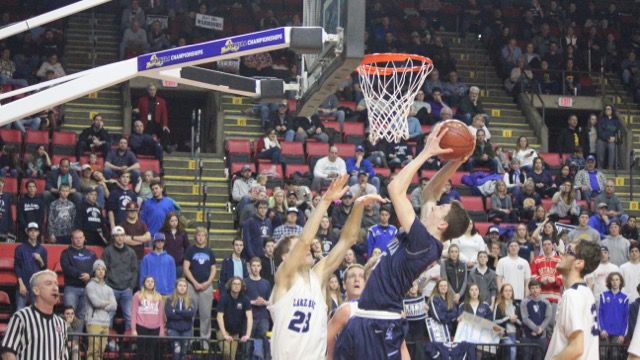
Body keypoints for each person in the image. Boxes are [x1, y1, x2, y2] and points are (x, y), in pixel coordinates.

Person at [334, 124, 471, 359]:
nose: (437, 205)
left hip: (380, 324)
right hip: (365, 317)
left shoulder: (424, 242)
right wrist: (457, 161)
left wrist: (427, 153)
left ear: (443, 225)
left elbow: (395, 188)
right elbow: (430, 193)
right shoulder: (426, 233)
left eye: (442, 208)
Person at [269, 174, 383, 359]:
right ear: (285, 257)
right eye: (297, 247)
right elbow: (306, 240)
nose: (306, 250)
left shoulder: (317, 277)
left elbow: (348, 240)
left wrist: (358, 206)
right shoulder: (284, 277)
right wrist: (326, 200)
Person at [544, 240, 602, 360]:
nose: (562, 253)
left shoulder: (572, 295)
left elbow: (576, 348)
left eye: (568, 251)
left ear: (579, 263)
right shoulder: (585, 292)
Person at [0, 270, 68, 359]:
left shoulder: (61, 323)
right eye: (48, 283)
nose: (55, 288)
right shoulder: (21, 317)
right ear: (36, 290)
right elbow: (7, 352)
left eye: (56, 284)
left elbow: (63, 356)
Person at [183, 227, 217, 349]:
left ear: (206, 237)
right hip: (192, 286)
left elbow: (213, 269)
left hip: (206, 288)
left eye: (203, 235)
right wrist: (194, 282)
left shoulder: (209, 251)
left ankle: (205, 342)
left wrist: (208, 282)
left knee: (206, 316)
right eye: (198, 235)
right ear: (195, 236)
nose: (201, 237)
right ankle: (188, 341)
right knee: (189, 315)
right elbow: (186, 268)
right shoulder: (190, 250)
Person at [326, 264, 368, 359]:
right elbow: (329, 347)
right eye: (352, 276)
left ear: (366, 283)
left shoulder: (376, 310)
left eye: (361, 276)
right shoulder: (335, 313)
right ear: (344, 284)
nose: (357, 279)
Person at [102, 225, 138, 332]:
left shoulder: (131, 252)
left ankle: (130, 343)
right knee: (109, 316)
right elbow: (104, 269)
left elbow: (135, 270)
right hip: (111, 289)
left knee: (129, 316)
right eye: (117, 235)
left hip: (126, 289)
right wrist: (107, 286)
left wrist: (131, 287)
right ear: (113, 237)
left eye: (122, 235)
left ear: (125, 236)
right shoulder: (107, 251)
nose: (120, 238)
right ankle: (107, 341)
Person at [84, 259, 117, 360]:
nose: (101, 271)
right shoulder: (90, 286)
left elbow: (114, 306)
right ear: (94, 271)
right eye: (98, 269)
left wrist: (104, 304)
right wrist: (107, 303)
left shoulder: (109, 289)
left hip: (105, 322)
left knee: (101, 352)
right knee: (92, 351)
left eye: (103, 269)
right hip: (93, 322)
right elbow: (95, 303)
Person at [61, 230, 97, 320]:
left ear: (84, 238)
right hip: (71, 288)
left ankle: (78, 334)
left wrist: (89, 275)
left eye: (80, 238)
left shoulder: (91, 254)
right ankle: (68, 334)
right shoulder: (66, 253)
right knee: (69, 315)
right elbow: (66, 268)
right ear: (72, 239)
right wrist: (81, 275)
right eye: (76, 238)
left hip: (87, 288)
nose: (78, 240)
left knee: (82, 316)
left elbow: (97, 267)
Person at [217, 277, 253, 360]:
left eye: (238, 284)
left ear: (241, 286)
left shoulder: (245, 299)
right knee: (227, 353)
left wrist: (247, 335)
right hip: (222, 330)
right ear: (230, 285)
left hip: (235, 332)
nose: (236, 286)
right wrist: (225, 334)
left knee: (232, 357)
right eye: (234, 284)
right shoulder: (224, 298)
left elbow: (250, 318)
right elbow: (219, 317)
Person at [14, 223, 47, 310]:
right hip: (23, 285)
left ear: (38, 233)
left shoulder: (42, 249)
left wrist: (40, 260)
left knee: (37, 312)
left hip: (36, 286)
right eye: (31, 231)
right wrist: (21, 284)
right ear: (27, 232)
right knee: (19, 311)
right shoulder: (20, 248)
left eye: (35, 231)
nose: (33, 233)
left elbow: (44, 269)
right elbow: (17, 267)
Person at [530, 238, 562, 329]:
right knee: (540, 325)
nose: (547, 246)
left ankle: (552, 343)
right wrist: (540, 280)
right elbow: (532, 276)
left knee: (552, 325)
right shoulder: (536, 260)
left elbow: (563, 278)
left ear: (552, 246)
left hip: (554, 298)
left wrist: (554, 280)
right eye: (544, 244)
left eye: (549, 244)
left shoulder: (559, 260)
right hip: (540, 297)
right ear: (542, 247)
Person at [132, 276, 165, 360]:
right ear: (144, 283)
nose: (150, 283)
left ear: (154, 284)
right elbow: (133, 313)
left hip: (155, 328)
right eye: (148, 281)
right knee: (140, 351)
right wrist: (133, 329)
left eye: (152, 281)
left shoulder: (159, 297)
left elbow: (161, 315)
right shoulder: (137, 295)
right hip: (141, 326)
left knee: (152, 352)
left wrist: (161, 331)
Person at [245, 257, 272, 359]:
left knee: (264, 345)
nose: (256, 268)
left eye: (258, 266)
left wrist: (263, 302)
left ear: (261, 267)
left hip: (263, 318)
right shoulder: (245, 282)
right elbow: (241, 301)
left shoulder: (266, 283)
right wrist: (253, 302)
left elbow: (270, 301)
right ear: (250, 267)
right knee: (247, 346)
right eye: (253, 266)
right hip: (249, 318)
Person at [598, 272, 628, 359]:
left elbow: (625, 317)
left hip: (618, 333)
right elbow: (600, 314)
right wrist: (602, 329)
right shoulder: (604, 295)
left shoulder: (625, 298)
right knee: (603, 355)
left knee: (615, 356)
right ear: (609, 282)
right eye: (612, 280)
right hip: (605, 332)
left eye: (617, 279)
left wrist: (622, 334)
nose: (615, 282)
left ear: (620, 282)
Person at [520, 280, 552, 360]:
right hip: (527, 336)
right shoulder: (524, 302)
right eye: (532, 288)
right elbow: (525, 318)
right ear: (530, 290)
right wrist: (536, 329)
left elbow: (548, 317)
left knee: (539, 357)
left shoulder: (546, 302)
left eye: (537, 287)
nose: (535, 290)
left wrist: (540, 329)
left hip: (541, 337)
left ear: (540, 289)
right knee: (526, 357)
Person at [165, 278, 195, 360]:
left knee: (183, 352)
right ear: (176, 287)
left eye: (184, 286)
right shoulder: (169, 299)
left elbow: (190, 314)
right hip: (173, 329)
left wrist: (176, 311)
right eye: (180, 285)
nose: (182, 287)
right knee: (176, 351)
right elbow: (170, 314)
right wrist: (184, 313)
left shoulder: (190, 300)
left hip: (186, 329)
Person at [493, 283, 521, 360]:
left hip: (515, 335)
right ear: (502, 293)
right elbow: (495, 321)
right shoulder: (498, 305)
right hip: (504, 335)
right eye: (506, 291)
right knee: (511, 352)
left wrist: (515, 320)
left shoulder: (517, 305)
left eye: (510, 291)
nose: (508, 293)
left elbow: (521, 323)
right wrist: (508, 318)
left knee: (513, 356)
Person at [596, 104, 622, 170]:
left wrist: (615, 138)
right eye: (606, 109)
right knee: (599, 144)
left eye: (609, 109)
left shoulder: (616, 121)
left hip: (612, 141)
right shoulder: (601, 120)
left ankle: (611, 166)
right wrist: (608, 138)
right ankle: (600, 167)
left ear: (612, 110)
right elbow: (600, 132)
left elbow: (619, 132)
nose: (607, 110)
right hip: (602, 140)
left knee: (612, 147)